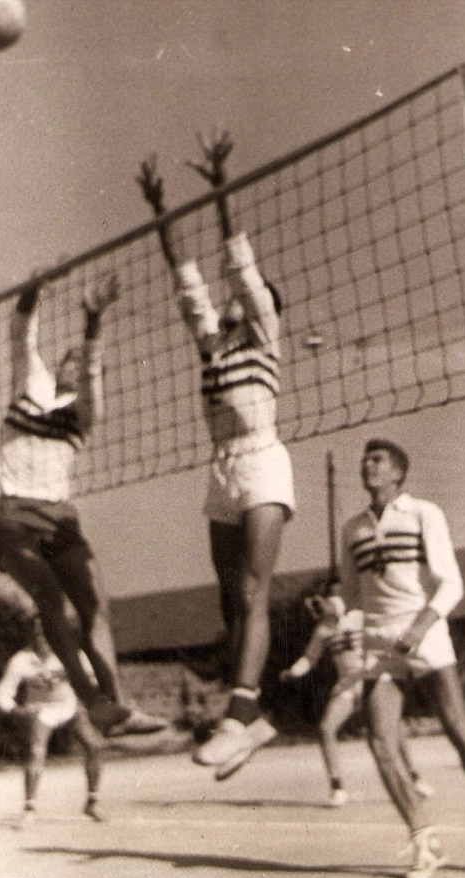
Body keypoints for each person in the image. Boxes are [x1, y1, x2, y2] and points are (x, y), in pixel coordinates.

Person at [136, 131, 294, 779]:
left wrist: (219, 187)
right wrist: (159, 211)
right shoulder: (213, 344)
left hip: (261, 461)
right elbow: (188, 283)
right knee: (231, 602)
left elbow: (236, 264)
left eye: (246, 301)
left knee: (256, 592)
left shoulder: (263, 330)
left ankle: (239, 712)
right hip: (221, 467)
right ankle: (253, 720)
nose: (231, 304)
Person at [0, 274, 167, 738]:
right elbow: (22, 332)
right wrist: (35, 286)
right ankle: (92, 700)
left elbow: (92, 370)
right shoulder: (32, 384)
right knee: (53, 601)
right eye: (73, 358)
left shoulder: (86, 412)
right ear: (59, 363)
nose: (79, 365)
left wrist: (93, 322)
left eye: (86, 364)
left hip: (59, 517)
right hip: (8, 513)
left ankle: (118, 705)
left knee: (96, 605)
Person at [338, 438, 465, 878]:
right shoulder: (352, 529)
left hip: (424, 634)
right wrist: (334, 612)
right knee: (380, 744)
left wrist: (418, 628)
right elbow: (350, 593)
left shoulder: (425, 514)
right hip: (380, 645)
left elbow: (451, 585)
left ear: (398, 473)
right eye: (366, 459)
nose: (368, 464)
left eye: (378, 459)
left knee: (459, 730)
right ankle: (423, 840)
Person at [279, 593, 434, 807]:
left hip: (371, 680)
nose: (319, 613)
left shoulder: (360, 617)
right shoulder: (323, 630)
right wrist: (293, 672)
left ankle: (415, 777)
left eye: (321, 606)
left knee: (393, 728)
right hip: (347, 687)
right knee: (326, 729)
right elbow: (309, 658)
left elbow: (380, 644)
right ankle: (337, 788)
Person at [0, 617, 104, 824]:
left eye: (47, 632)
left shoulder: (71, 655)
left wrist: (85, 695)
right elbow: (1, 694)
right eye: (37, 633)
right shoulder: (21, 660)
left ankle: (92, 802)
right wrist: (18, 710)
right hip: (42, 711)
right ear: (31, 635)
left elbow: (92, 681)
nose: (42, 637)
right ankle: (30, 808)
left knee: (95, 745)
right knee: (36, 751)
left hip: (70, 707)